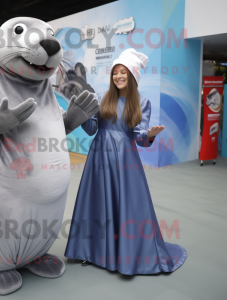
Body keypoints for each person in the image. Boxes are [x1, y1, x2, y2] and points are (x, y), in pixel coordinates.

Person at [64, 48, 187, 275]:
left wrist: (149, 135)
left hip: (125, 161)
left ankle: (126, 255)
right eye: (115, 72)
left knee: (126, 206)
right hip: (98, 157)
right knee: (96, 202)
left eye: (124, 72)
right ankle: (89, 251)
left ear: (132, 76)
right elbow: (92, 129)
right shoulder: (101, 97)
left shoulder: (142, 102)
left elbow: (140, 138)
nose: (118, 76)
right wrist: (81, 114)